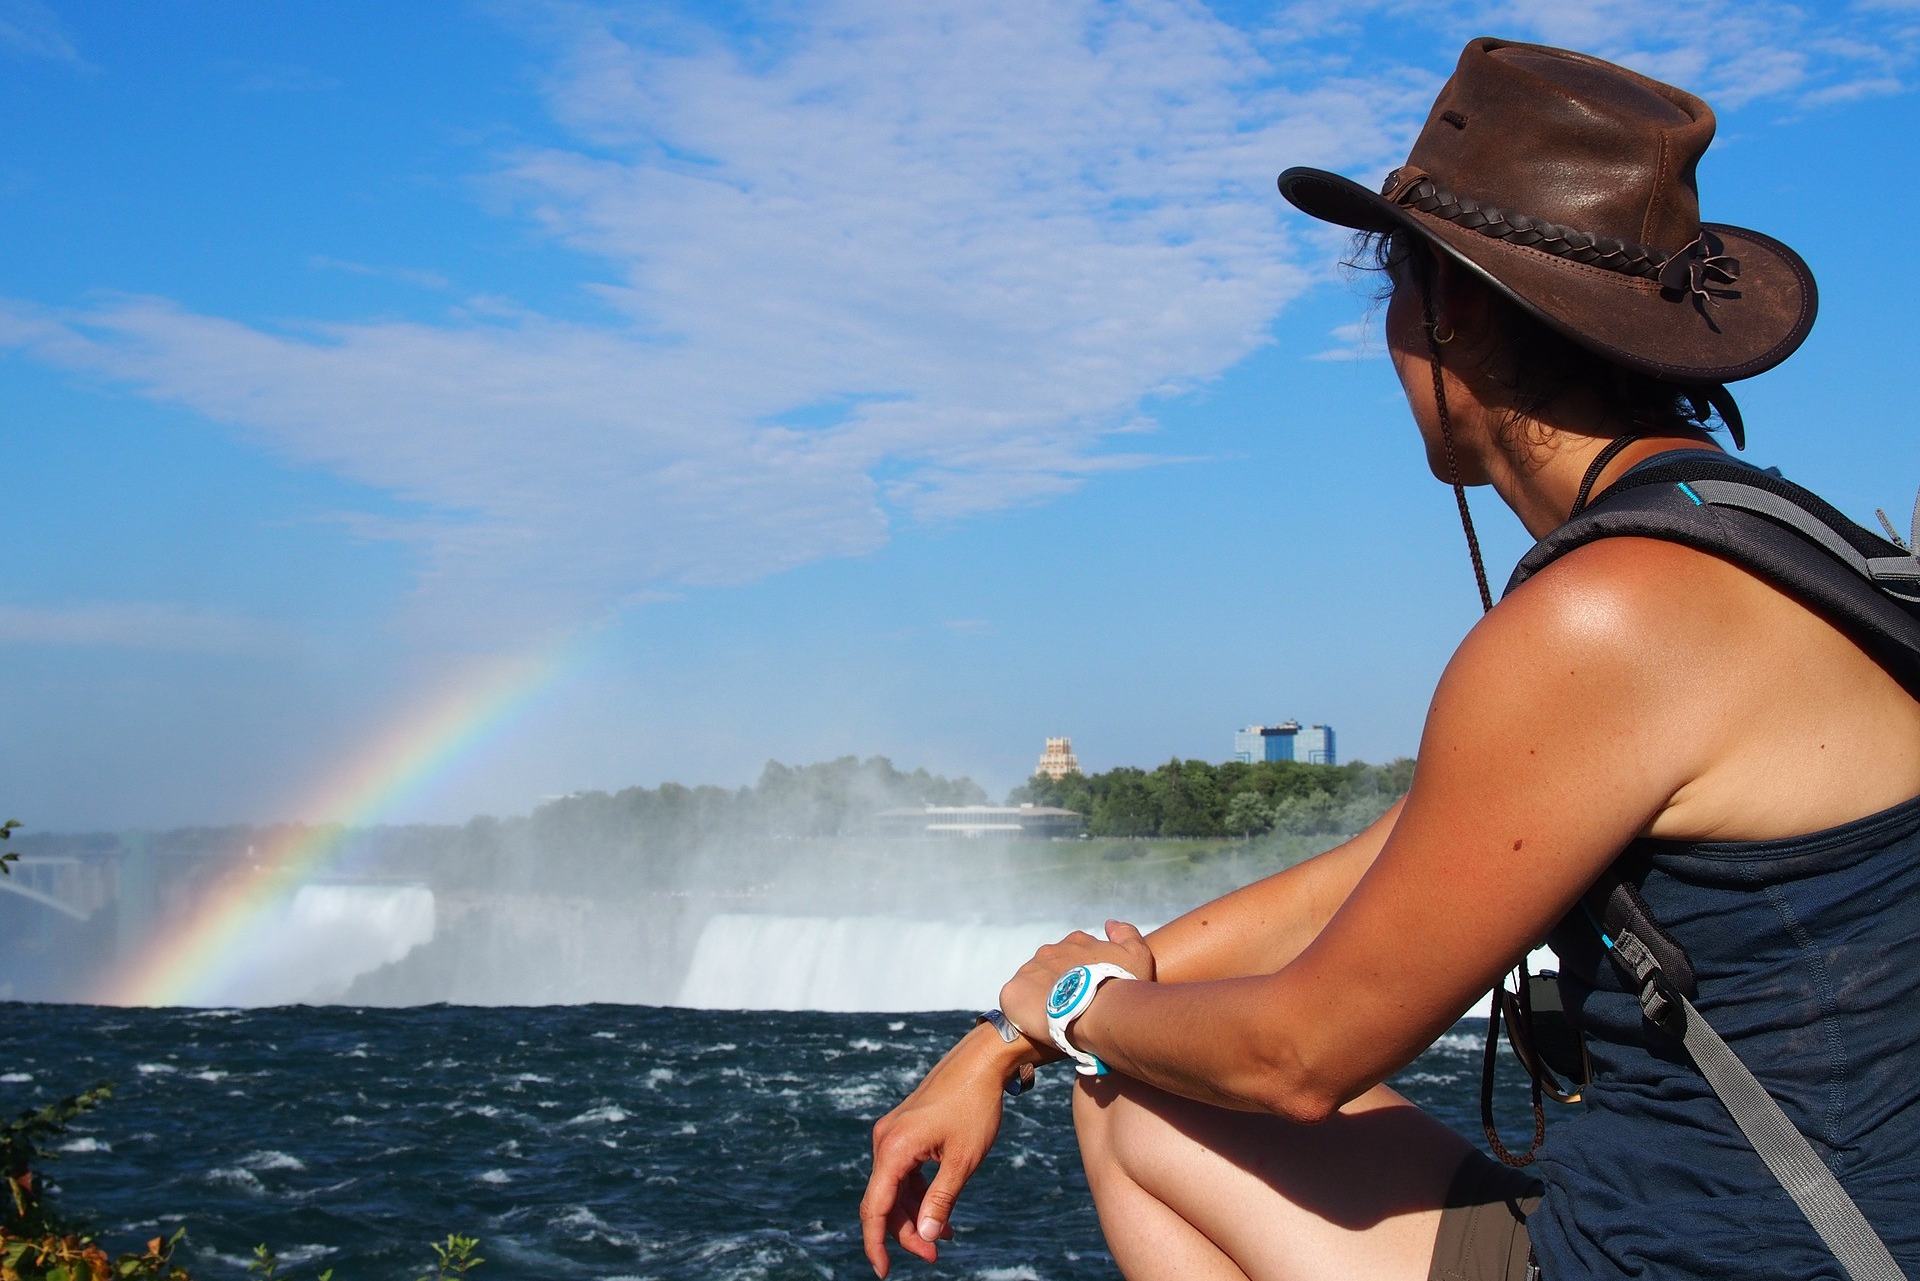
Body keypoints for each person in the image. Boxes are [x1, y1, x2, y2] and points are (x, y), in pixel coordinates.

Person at [859, 36, 1920, 1281]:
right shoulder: (1781, 543)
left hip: (1704, 1259)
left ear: (1452, 311)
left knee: (1134, 1094)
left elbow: (1299, 1057)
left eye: (1396, 297)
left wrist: (1079, 1013)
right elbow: (1374, 869)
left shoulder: (1607, 619)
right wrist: (997, 1038)